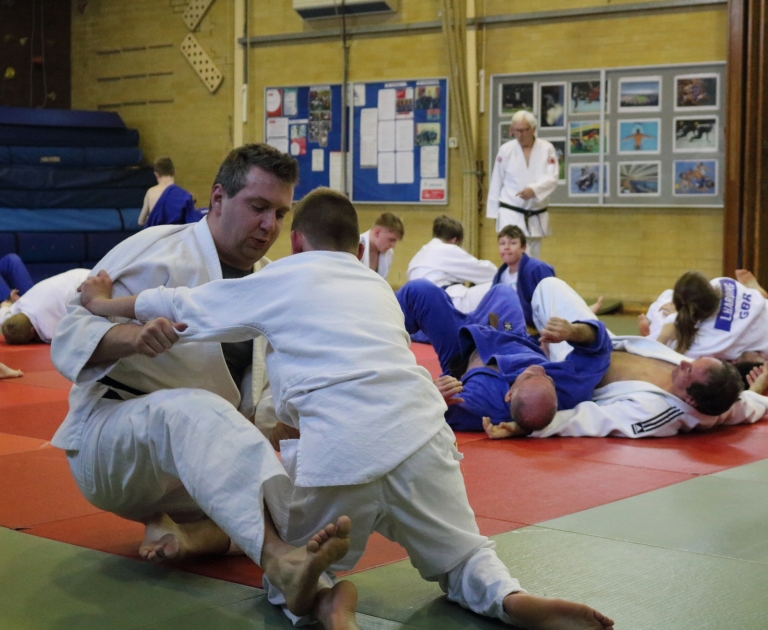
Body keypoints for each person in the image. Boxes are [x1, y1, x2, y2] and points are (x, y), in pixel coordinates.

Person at [78, 188, 615, 630]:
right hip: (427, 436)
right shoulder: (378, 287)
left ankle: (327, 600)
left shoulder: (280, 277)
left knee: (285, 567)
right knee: (462, 555)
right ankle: (510, 598)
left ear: (295, 243)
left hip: (340, 448)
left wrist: (104, 304)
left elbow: (182, 305)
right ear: (357, 250)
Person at [50, 145, 361, 628]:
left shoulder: (268, 283)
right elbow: (70, 332)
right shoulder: (159, 249)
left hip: (198, 465)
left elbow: (261, 407)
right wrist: (132, 337)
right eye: (258, 208)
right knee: (194, 411)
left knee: (314, 493)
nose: (269, 226)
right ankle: (282, 560)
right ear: (218, 198)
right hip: (112, 445)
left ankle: (295, 589)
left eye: (280, 213)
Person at [396, 276, 613, 432]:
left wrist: (427, 395)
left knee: (420, 291)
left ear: (509, 396)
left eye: (529, 376)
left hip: (462, 348)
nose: (538, 369)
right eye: (547, 377)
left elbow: (421, 415)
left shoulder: (482, 403)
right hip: (513, 334)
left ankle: (374, 337)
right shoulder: (566, 389)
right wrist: (572, 331)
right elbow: (600, 349)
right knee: (504, 291)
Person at [483, 335, 768, 440]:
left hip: (566, 370)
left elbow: (589, 419)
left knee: (489, 359)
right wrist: (759, 386)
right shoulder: (726, 397)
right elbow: (749, 404)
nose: (683, 363)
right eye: (692, 362)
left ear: (691, 401)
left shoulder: (655, 413)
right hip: (596, 343)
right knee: (550, 286)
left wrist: (530, 426)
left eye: (690, 371)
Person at [639, 271, 768, 361]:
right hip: (762, 309)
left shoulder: (705, 342)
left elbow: (662, 360)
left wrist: (661, 336)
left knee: (661, 308)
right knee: (666, 297)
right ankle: (759, 294)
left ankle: (650, 333)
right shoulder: (724, 282)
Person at [486, 111, 559, 259]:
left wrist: (534, 189)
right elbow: (496, 181)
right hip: (510, 212)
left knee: (533, 260)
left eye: (523, 130)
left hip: (535, 212)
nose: (519, 134)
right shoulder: (506, 150)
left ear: (533, 129)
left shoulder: (547, 148)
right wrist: (494, 213)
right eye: (515, 130)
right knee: (512, 257)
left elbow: (553, 177)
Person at [407, 215, 497, 313]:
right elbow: (491, 273)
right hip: (444, 304)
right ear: (454, 240)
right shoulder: (449, 249)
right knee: (500, 286)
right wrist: (463, 253)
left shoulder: (419, 254)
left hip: (417, 307)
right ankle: (508, 326)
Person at [1, 268, 90, 344]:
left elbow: (57, 338)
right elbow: (4, 311)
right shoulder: (21, 304)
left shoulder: (47, 329)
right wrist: (6, 305)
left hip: (87, 283)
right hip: (78, 276)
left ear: (32, 331)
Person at [491, 225, 555, 328]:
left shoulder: (537, 269)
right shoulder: (500, 276)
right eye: (502, 243)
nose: (506, 247)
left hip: (537, 331)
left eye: (512, 243)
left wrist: (546, 336)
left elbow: (552, 304)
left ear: (523, 248)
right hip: (511, 327)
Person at [138, 156, 201, 227]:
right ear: (174, 173)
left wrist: (151, 219)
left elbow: (141, 221)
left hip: (157, 236)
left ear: (156, 175)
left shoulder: (150, 192)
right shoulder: (185, 196)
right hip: (176, 236)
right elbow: (193, 223)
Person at [359, 212, 404, 279]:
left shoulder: (389, 253)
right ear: (377, 232)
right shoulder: (353, 247)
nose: (394, 245)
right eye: (391, 239)